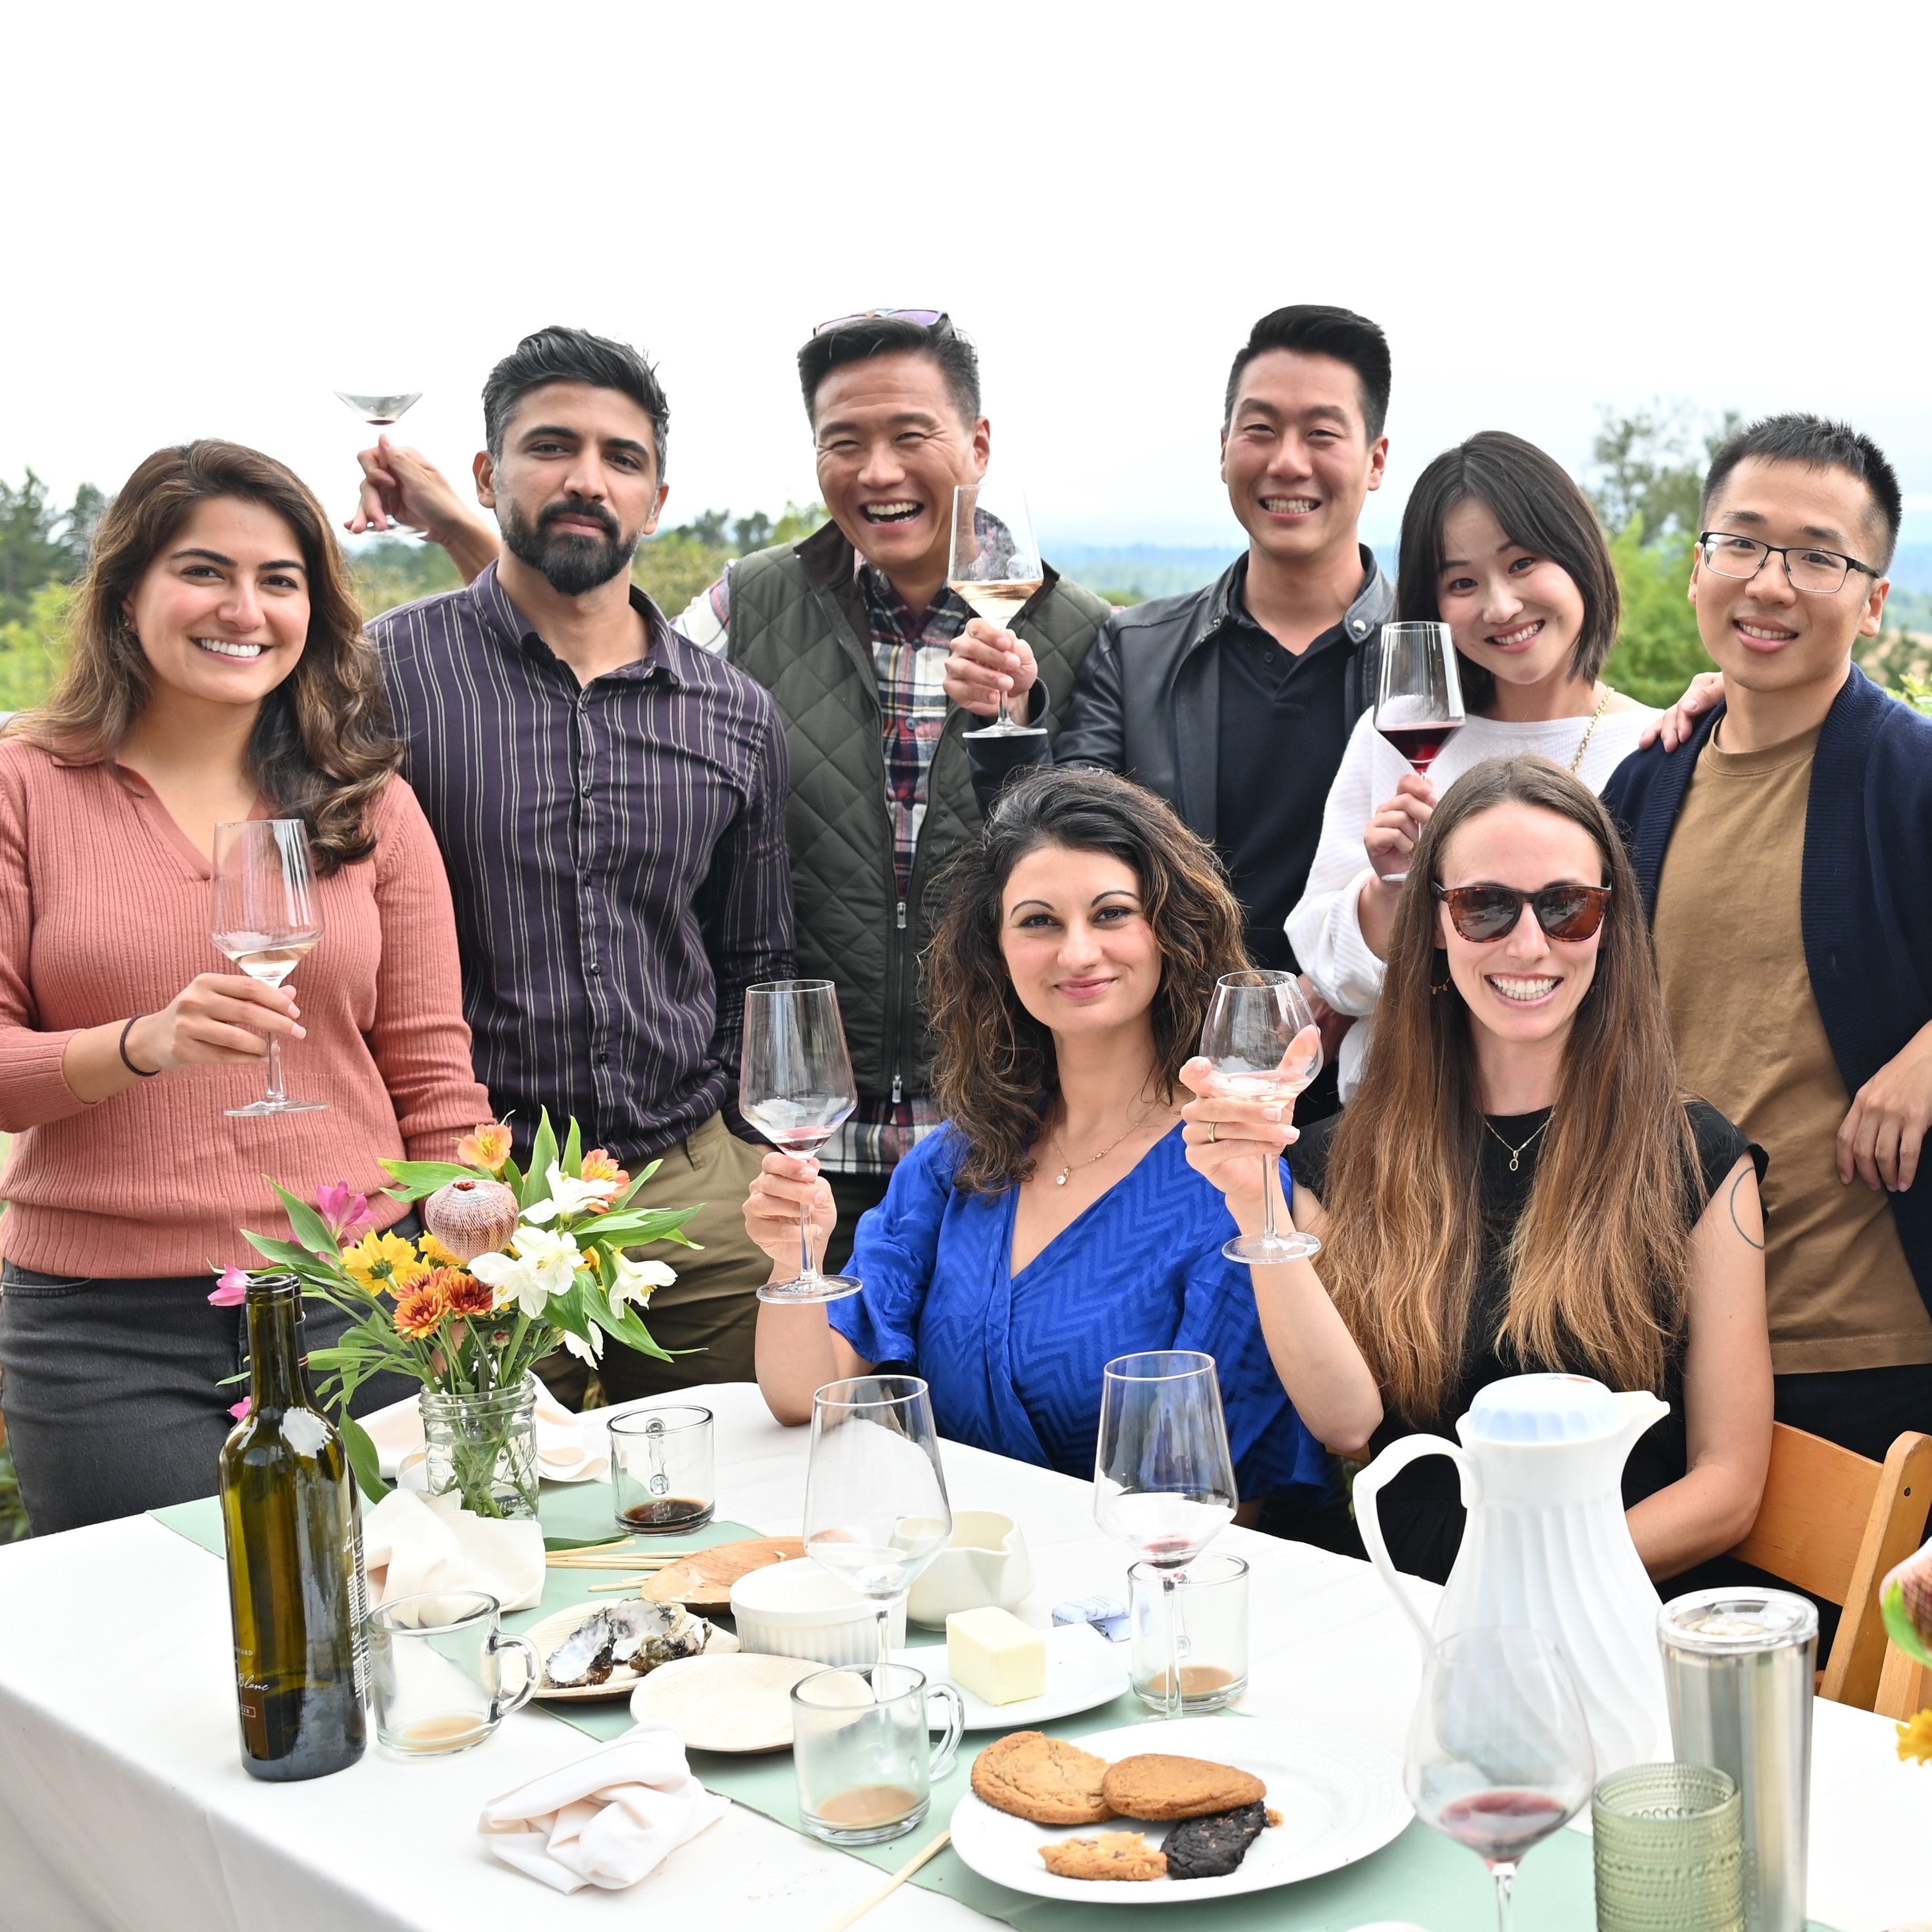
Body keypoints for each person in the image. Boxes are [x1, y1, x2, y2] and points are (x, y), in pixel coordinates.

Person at [352, 312, 1113, 1265]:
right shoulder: (752, 602)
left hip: (1003, 1134)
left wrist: (1021, 727)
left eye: (910, 436)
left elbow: (1114, 885)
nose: (878, 471)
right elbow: (581, 659)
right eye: (845, 442)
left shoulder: (1086, 637)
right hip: (799, 1147)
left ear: (979, 444)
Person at [0, 440, 491, 1533]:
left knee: (392, 1631)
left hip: (356, 1303)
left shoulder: (369, 805)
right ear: (128, 592)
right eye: (204, 570)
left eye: (281, 579)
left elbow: (431, 1071)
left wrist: (480, 1259)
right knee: (153, 1665)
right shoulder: (22, 784)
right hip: (103, 1339)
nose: (245, 607)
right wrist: (142, 1043)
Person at [1184, 757, 1772, 1584]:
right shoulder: (1335, 1158)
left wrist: (1527, 1587)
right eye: (1485, 906)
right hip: (1402, 1611)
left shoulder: (1697, 1158)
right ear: (1431, 922)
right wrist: (1256, 1202)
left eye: (1568, 907)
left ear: (1610, 923)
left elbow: (1727, 1485)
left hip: (1608, 1608)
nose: (1528, 944)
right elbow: (1346, 1424)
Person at [361, 327, 793, 1403]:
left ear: (655, 496)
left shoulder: (732, 713)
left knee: (739, 1506)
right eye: (551, 446)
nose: (585, 479)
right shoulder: (382, 677)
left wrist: (736, 1147)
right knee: (477, 1520)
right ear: (485, 474)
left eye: (620, 457)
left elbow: (754, 954)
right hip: (469, 1195)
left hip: (692, 1188)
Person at [745, 766, 1380, 1494]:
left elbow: (1322, 1441)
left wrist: (1257, 1202)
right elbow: (803, 1397)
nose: (1077, 952)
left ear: (1168, 929)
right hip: (964, 1577)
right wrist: (792, 1259)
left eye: (1110, 913)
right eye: (1039, 920)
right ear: (997, 949)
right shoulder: (954, 1161)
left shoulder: (1230, 1167)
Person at [1603, 414, 1932, 1464]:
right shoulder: (1647, 779)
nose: (1769, 581)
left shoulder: (1906, 777)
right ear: (1698, 565)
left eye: (1816, 555)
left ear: (1873, 601)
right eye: (1739, 542)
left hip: (1860, 1349)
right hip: (1658, 1332)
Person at [944, 304, 1396, 1039]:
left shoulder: (1427, 668)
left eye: (1320, 433)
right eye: (1259, 429)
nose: (1287, 461)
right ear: (1223, 450)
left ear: (1374, 460)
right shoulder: (1137, 648)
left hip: (1373, 1080)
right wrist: (1014, 714)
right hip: (1174, 1069)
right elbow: (1058, 839)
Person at [1288, 432, 1659, 1101]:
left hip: (1589, 1129)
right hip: (1400, 1128)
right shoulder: (1394, 738)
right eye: (1462, 582)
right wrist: (1391, 893)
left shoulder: (1653, 744)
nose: (1499, 606)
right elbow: (1329, 979)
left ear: (1578, 557)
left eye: (1521, 563)